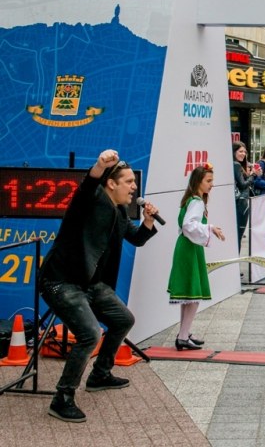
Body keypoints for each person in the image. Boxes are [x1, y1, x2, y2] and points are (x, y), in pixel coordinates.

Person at [39, 149, 159, 423]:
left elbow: (137, 238)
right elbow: (88, 186)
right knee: (90, 334)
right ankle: (63, 398)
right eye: (128, 181)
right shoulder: (90, 200)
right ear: (111, 183)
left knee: (123, 319)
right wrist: (98, 165)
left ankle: (100, 374)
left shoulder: (118, 211)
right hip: (61, 281)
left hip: (91, 284)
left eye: (133, 182)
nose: (134, 187)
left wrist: (149, 222)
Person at [167, 164, 225, 351]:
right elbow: (188, 225)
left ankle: (184, 333)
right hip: (189, 248)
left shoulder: (192, 199)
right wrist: (210, 228)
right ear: (198, 182)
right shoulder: (197, 202)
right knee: (193, 294)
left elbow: (187, 225)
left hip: (187, 246)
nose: (211, 185)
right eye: (208, 181)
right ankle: (183, 336)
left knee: (189, 294)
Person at [232, 141, 256, 251]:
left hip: (239, 203)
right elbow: (242, 185)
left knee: (237, 235)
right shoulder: (236, 165)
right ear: (233, 152)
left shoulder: (236, 165)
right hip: (241, 203)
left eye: (244, 152)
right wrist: (253, 175)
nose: (243, 154)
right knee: (238, 235)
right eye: (240, 151)